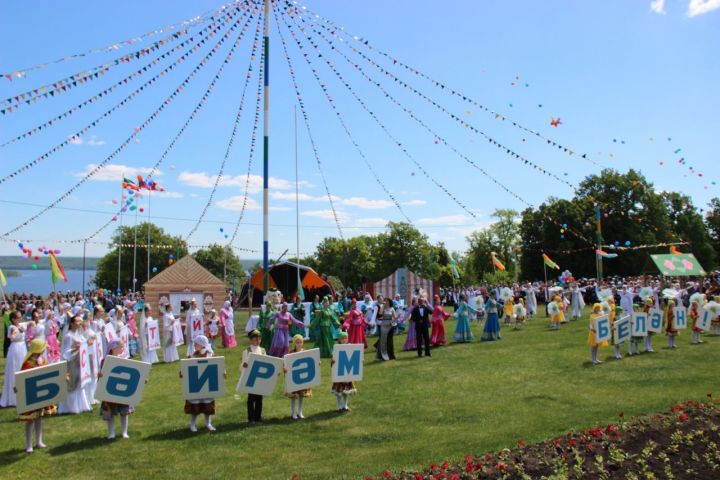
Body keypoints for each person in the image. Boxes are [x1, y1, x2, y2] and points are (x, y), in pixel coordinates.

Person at [17, 339, 56, 452]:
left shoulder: (42, 360)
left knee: (39, 418)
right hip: (31, 394)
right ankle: (28, 444)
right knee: (30, 420)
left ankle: (39, 441)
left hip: (41, 393)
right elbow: (23, 378)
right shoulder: (27, 363)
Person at [181, 335, 224, 432]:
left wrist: (223, 371)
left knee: (207, 405)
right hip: (196, 385)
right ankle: (192, 425)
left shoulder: (211, 355)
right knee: (195, 407)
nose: (195, 345)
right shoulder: (192, 356)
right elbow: (185, 368)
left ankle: (208, 423)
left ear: (201, 345)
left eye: (196, 344)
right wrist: (182, 372)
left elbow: (218, 365)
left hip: (207, 385)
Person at [99, 340, 135, 439]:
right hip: (109, 390)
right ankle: (111, 433)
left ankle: (124, 432)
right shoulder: (105, 361)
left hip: (122, 390)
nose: (123, 349)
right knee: (109, 412)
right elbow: (102, 374)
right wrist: (100, 375)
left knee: (124, 412)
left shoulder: (124, 359)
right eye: (122, 347)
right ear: (114, 348)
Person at [58, 314, 92, 414]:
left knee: (79, 383)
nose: (80, 323)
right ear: (72, 323)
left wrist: (86, 344)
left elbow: (83, 345)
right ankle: (70, 407)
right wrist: (75, 349)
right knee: (72, 384)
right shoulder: (68, 336)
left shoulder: (79, 333)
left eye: (80, 321)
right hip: (71, 362)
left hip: (79, 362)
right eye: (77, 321)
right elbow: (65, 352)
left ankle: (81, 405)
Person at [1, 311, 27, 407]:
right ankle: (14, 397)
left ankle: (24, 392)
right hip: (15, 350)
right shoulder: (11, 327)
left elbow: (29, 323)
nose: (20, 319)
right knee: (15, 370)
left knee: (23, 369)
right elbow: (11, 337)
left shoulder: (21, 325)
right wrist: (14, 333)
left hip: (23, 348)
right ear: (13, 319)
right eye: (18, 317)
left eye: (20, 317)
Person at [284, 335, 313, 420]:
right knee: (293, 396)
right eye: (297, 342)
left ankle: (300, 412)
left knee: (301, 396)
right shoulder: (291, 353)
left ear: (303, 343)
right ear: (294, 343)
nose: (299, 344)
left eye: (300, 342)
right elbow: (286, 363)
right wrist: (285, 368)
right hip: (294, 378)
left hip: (303, 377)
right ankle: (293, 413)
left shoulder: (305, 352)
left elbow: (310, 362)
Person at [241, 329, 266, 423]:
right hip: (251, 378)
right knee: (251, 399)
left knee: (259, 398)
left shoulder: (263, 350)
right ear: (251, 340)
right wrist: (244, 365)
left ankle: (258, 417)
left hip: (260, 377)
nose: (257, 341)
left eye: (259, 338)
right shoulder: (247, 351)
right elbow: (243, 364)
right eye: (255, 339)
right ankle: (251, 418)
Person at [330, 331, 356, 412]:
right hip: (339, 374)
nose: (344, 340)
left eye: (346, 338)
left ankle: (345, 405)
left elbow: (354, 358)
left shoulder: (350, 348)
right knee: (339, 392)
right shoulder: (336, 349)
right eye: (342, 338)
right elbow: (332, 362)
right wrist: (333, 362)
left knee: (346, 391)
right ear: (339, 340)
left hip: (347, 373)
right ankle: (338, 406)